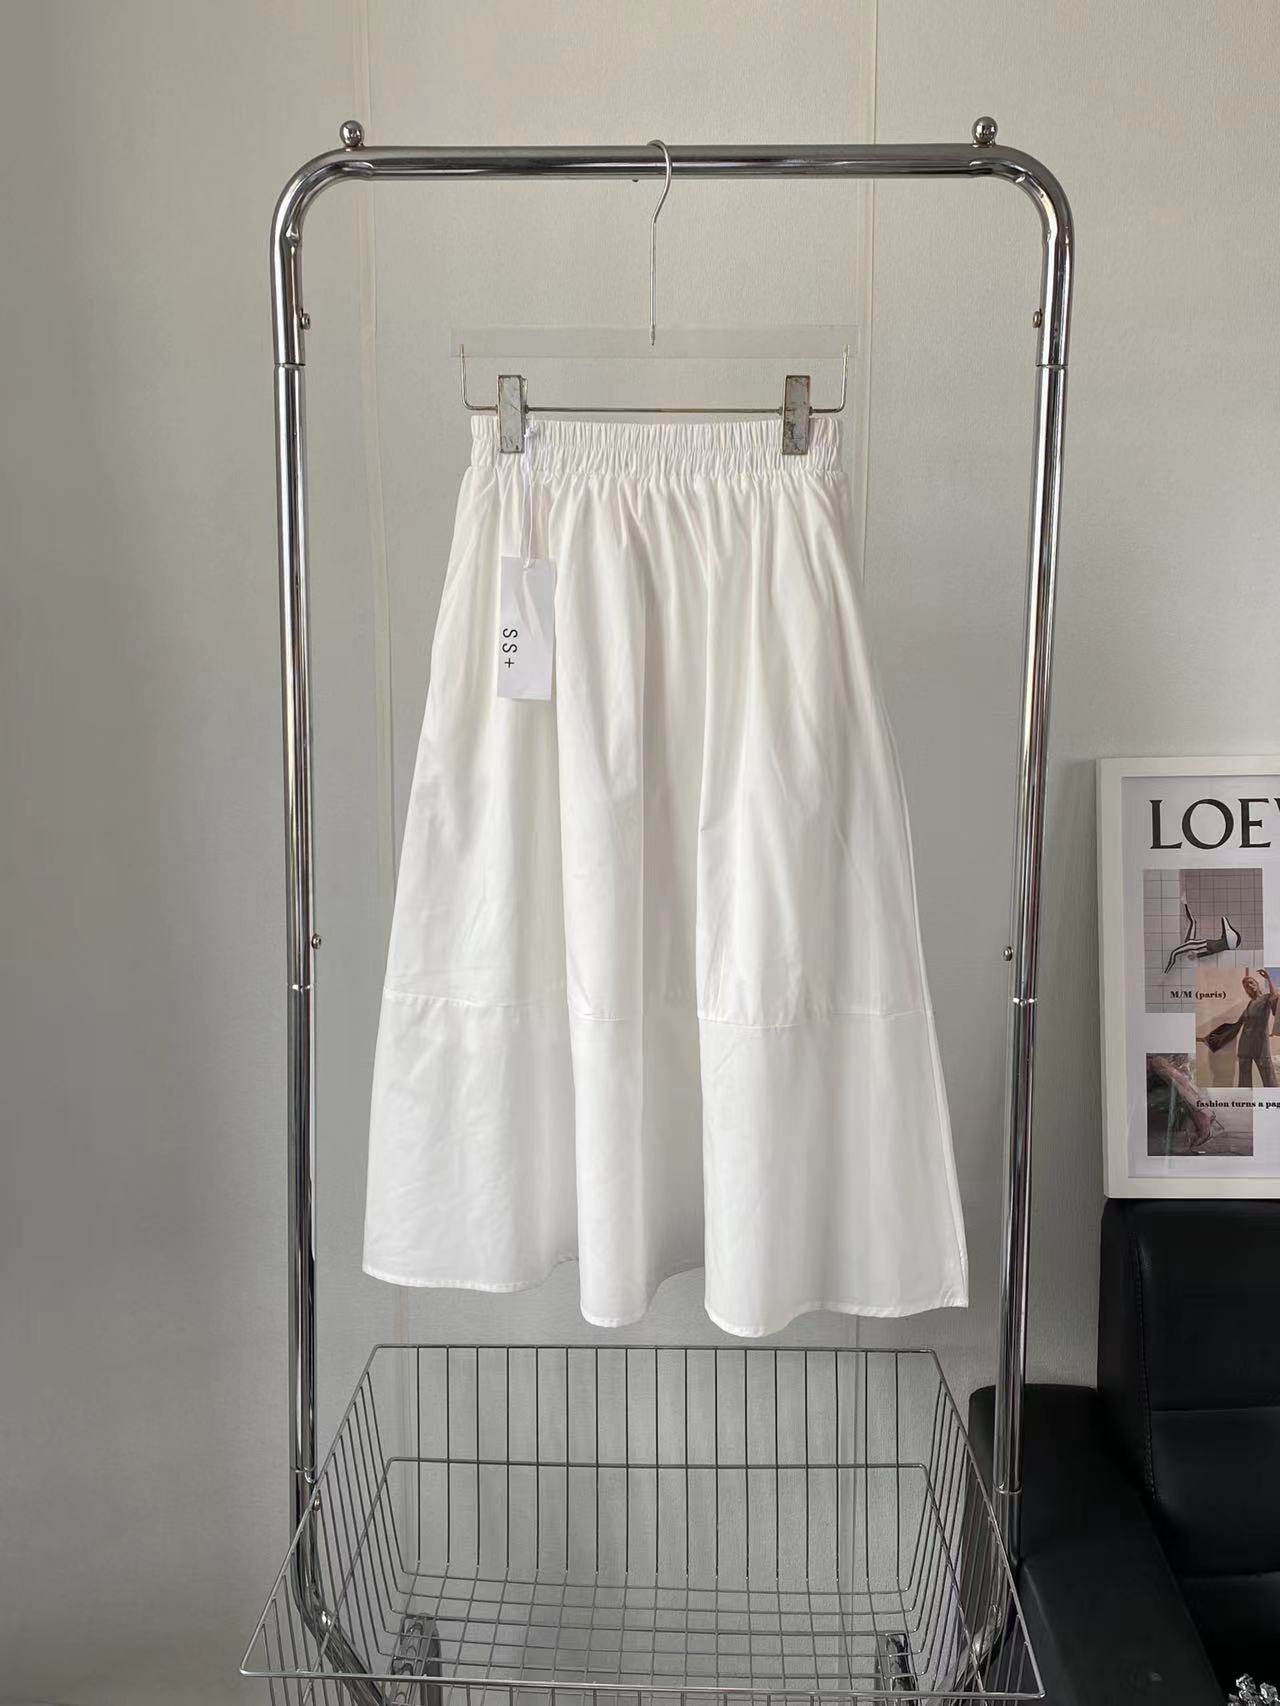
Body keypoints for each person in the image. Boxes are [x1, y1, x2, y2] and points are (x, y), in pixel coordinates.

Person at [1234, 968, 1279, 1089]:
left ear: (1257, 984)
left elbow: (1275, 997)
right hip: (1244, 1044)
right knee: (1244, 1079)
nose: (1249, 985)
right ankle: (1244, 1098)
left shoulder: (1266, 998)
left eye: (1251, 982)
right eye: (1246, 986)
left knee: (1268, 1076)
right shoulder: (1249, 1004)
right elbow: (1238, 1024)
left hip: (1260, 1044)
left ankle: (1274, 1098)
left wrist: (1269, 979)